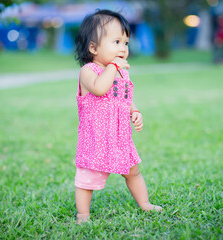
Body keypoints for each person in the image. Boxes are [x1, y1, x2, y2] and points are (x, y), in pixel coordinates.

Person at [74, 9, 162, 224]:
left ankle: (145, 203)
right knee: (87, 179)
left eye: (126, 43)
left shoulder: (122, 72)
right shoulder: (88, 71)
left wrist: (135, 111)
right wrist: (113, 67)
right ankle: (83, 215)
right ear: (93, 48)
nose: (123, 48)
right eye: (116, 42)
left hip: (120, 136)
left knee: (133, 171)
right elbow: (101, 89)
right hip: (96, 138)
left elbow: (124, 97)